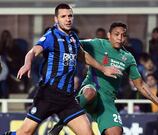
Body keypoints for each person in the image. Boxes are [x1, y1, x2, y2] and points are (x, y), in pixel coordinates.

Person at [4, 3, 120, 135]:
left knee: (88, 133)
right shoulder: (50, 36)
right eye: (63, 16)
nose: (68, 19)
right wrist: (27, 63)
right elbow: (33, 51)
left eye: (70, 16)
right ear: (56, 19)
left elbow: (82, 55)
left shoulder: (73, 38)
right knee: (25, 133)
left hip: (67, 99)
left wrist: (103, 69)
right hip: (48, 94)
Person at [49, 22, 158, 135]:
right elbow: (75, 44)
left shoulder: (128, 58)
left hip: (107, 102)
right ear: (109, 35)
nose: (120, 38)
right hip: (91, 91)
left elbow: (140, 85)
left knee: (116, 132)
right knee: (91, 92)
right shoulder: (98, 44)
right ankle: (61, 122)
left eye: (123, 35)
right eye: (116, 34)